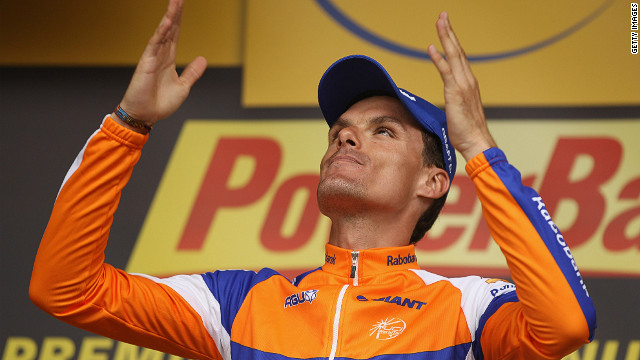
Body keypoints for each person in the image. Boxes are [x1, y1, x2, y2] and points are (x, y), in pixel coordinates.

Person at [29, 0, 596, 359]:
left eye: (383, 132)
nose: (346, 138)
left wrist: (479, 150)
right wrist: (130, 125)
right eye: (341, 131)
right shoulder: (238, 305)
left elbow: (565, 325)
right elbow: (65, 288)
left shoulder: (466, 310)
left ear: (433, 181)